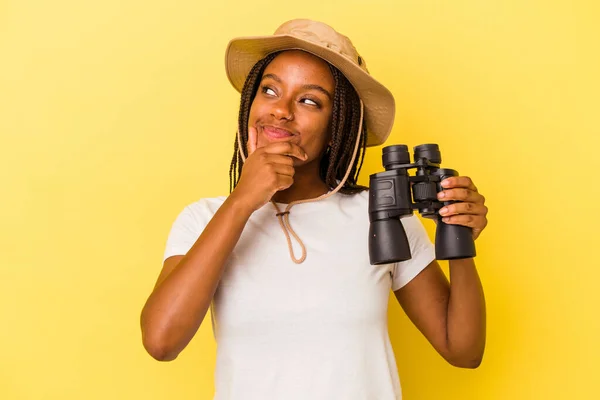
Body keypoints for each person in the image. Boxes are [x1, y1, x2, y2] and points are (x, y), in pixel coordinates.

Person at [140, 19, 488, 400]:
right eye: (270, 90)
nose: (281, 111)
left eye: (309, 101)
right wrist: (242, 201)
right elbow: (161, 341)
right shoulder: (203, 219)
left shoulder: (379, 214)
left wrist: (460, 242)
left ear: (338, 124)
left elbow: (463, 350)